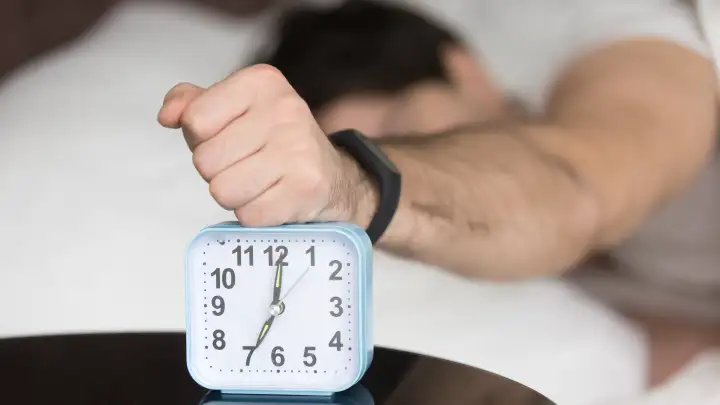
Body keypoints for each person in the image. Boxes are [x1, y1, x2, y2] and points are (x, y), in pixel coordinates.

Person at [157, 0, 719, 396]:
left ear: (463, 70)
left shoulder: (628, 42)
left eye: (403, 134)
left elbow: (575, 186)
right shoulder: (506, 272)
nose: (413, 163)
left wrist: (356, 180)